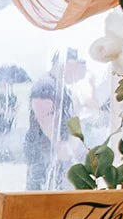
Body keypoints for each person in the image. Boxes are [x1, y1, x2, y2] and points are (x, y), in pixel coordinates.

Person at [25, 49, 84, 190]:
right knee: (40, 189)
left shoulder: (59, 85)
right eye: (76, 66)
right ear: (65, 63)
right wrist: (59, 144)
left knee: (56, 188)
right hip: (44, 148)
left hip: (54, 148)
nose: (77, 71)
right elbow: (44, 116)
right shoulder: (45, 84)